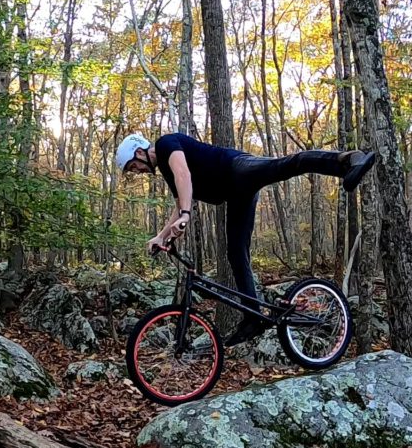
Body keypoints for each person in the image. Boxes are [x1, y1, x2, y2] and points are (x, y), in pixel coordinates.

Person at [116, 132, 377, 346]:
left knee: (284, 165)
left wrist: (184, 215)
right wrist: (161, 235)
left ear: (139, 152)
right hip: (237, 194)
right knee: (235, 252)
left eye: (133, 166)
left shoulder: (165, 145)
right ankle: (252, 317)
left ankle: (347, 160)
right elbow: (181, 200)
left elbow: (184, 175)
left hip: (238, 168)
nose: (137, 171)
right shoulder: (166, 172)